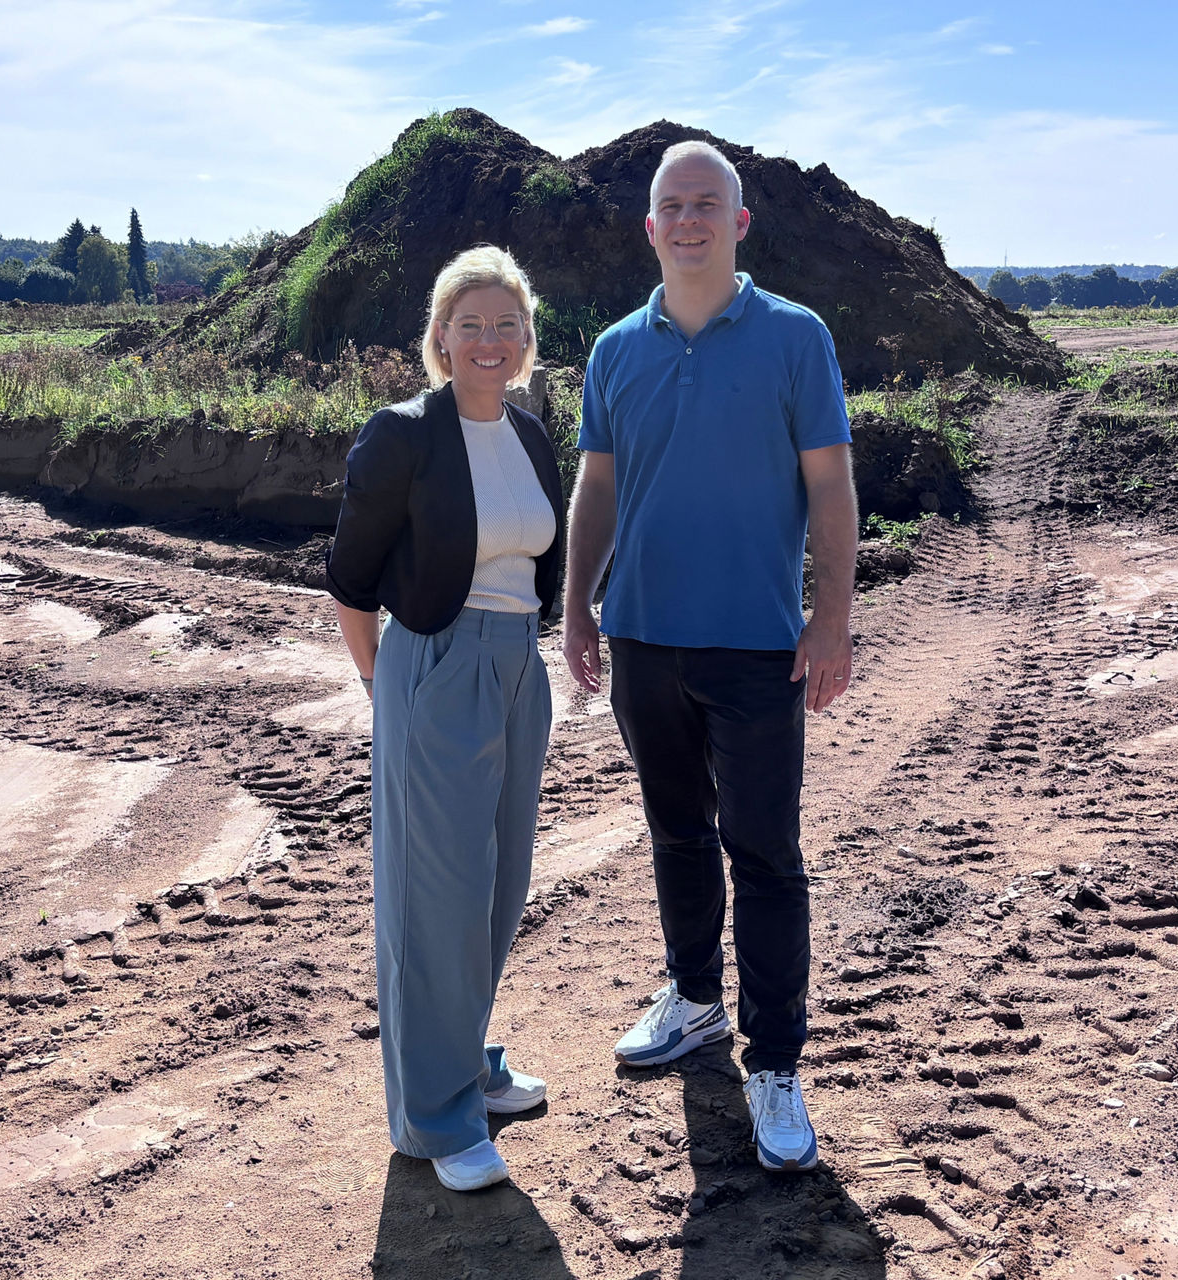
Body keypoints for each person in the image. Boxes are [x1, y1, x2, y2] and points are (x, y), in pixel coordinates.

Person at [562, 141, 857, 1172]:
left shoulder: (792, 337)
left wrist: (830, 618)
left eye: (706, 205)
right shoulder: (612, 350)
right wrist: (577, 603)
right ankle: (693, 1000)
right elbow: (595, 486)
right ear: (649, 228)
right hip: (643, 635)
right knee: (675, 832)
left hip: (755, 645)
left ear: (739, 223)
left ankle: (774, 1060)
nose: (686, 220)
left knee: (765, 853)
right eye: (670, 206)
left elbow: (827, 484)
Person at [326, 245, 564, 1192]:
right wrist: (394, 689)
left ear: (527, 339)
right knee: (437, 900)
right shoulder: (404, 434)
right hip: (435, 663)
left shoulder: (531, 434)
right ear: (439, 337)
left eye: (507, 324)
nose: (490, 341)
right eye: (471, 324)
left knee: (500, 886)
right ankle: (436, 1118)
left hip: (517, 666)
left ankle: (463, 1061)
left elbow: (537, 560)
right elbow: (350, 577)